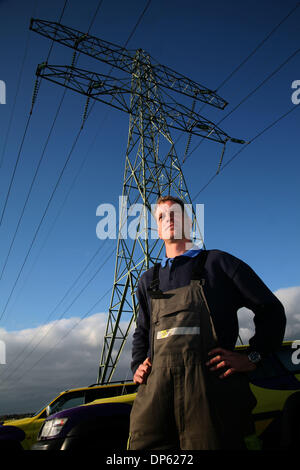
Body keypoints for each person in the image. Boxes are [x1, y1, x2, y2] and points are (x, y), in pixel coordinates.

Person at [128, 195, 286, 450]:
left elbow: (270, 309)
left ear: (189, 223)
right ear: (156, 230)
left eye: (175, 215)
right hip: (156, 402)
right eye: (161, 217)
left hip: (212, 402)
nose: (168, 220)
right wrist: (137, 365)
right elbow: (142, 331)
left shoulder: (218, 263)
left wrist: (254, 357)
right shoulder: (148, 280)